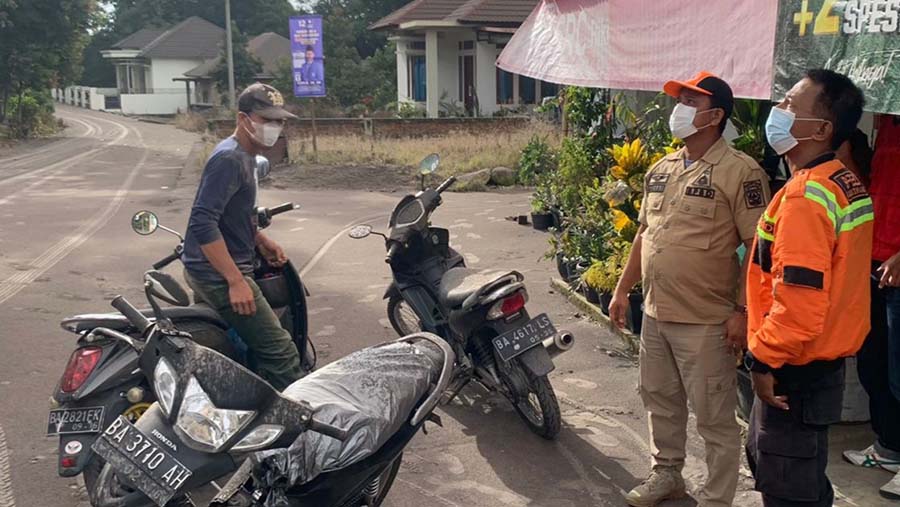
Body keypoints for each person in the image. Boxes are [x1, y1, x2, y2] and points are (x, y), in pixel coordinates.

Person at [610, 71, 771, 507]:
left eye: (690, 101)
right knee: (659, 401)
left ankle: (718, 498)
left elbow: (756, 246)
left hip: (707, 320)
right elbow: (645, 234)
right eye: (679, 99)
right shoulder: (662, 169)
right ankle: (667, 475)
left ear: (715, 115)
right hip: (657, 314)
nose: (678, 108)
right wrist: (623, 290)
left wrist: (742, 310)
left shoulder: (741, 172)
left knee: (715, 419)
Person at [744, 69, 871, 506]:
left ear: (820, 129)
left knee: (788, 489)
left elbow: (799, 304)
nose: (777, 112)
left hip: (792, 371)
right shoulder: (844, 182)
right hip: (821, 365)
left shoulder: (807, 197)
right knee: (807, 483)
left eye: (788, 106)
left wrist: (761, 361)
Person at [181, 82, 304, 391]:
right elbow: (203, 222)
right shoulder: (229, 159)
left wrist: (261, 241)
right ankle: (288, 429)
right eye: (267, 120)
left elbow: (235, 213)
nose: (275, 127)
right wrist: (235, 281)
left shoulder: (246, 156)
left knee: (235, 349)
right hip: (218, 274)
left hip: (209, 268)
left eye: (279, 121)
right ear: (243, 119)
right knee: (282, 353)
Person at [842, 114, 900, 500]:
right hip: (875, 260)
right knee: (874, 363)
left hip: (897, 263)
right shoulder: (886, 119)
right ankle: (889, 447)